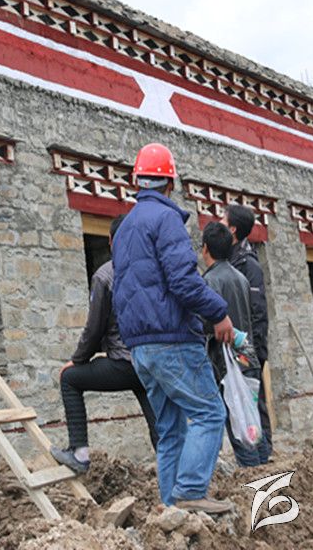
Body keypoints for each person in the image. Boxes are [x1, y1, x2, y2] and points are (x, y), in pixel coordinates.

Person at [112, 143, 236, 515]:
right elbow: (183, 281)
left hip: (140, 348)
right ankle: (191, 491)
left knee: (170, 430)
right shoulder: (166, 220)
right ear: (170, 184)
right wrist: (219, 313)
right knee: (210, 412)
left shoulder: (125, 227)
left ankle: (171, 511)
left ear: (138, 181)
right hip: (171, 340)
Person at [51, 215, 160, 474]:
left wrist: (77, 360)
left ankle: (79, 453)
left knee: (70, 379)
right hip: (153, 361)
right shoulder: (154, 271)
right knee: (159, 423)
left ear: (111, 241)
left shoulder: (105, 275)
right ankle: (176, 473)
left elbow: (94, 328)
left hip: (124, 364)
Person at [200, 221, 268, 467]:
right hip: (247, 355)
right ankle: (262, 466)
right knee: (251, 420)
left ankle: (253, 475)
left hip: (225, 361)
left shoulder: (209, 281)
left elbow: (207, 323)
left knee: (238, 425)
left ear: (205, 248)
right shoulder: (241, 278)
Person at [222, 203, 273, 462]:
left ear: (233, 229)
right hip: (233, 345)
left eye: (223, 220)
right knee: (243, 400)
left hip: (246, 346)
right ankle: (256, 452)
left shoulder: (248, 264)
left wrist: (255, 350)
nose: (220, 223)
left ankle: (262, 455)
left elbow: (257, 311)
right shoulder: (229, 258)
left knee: (253, 399)